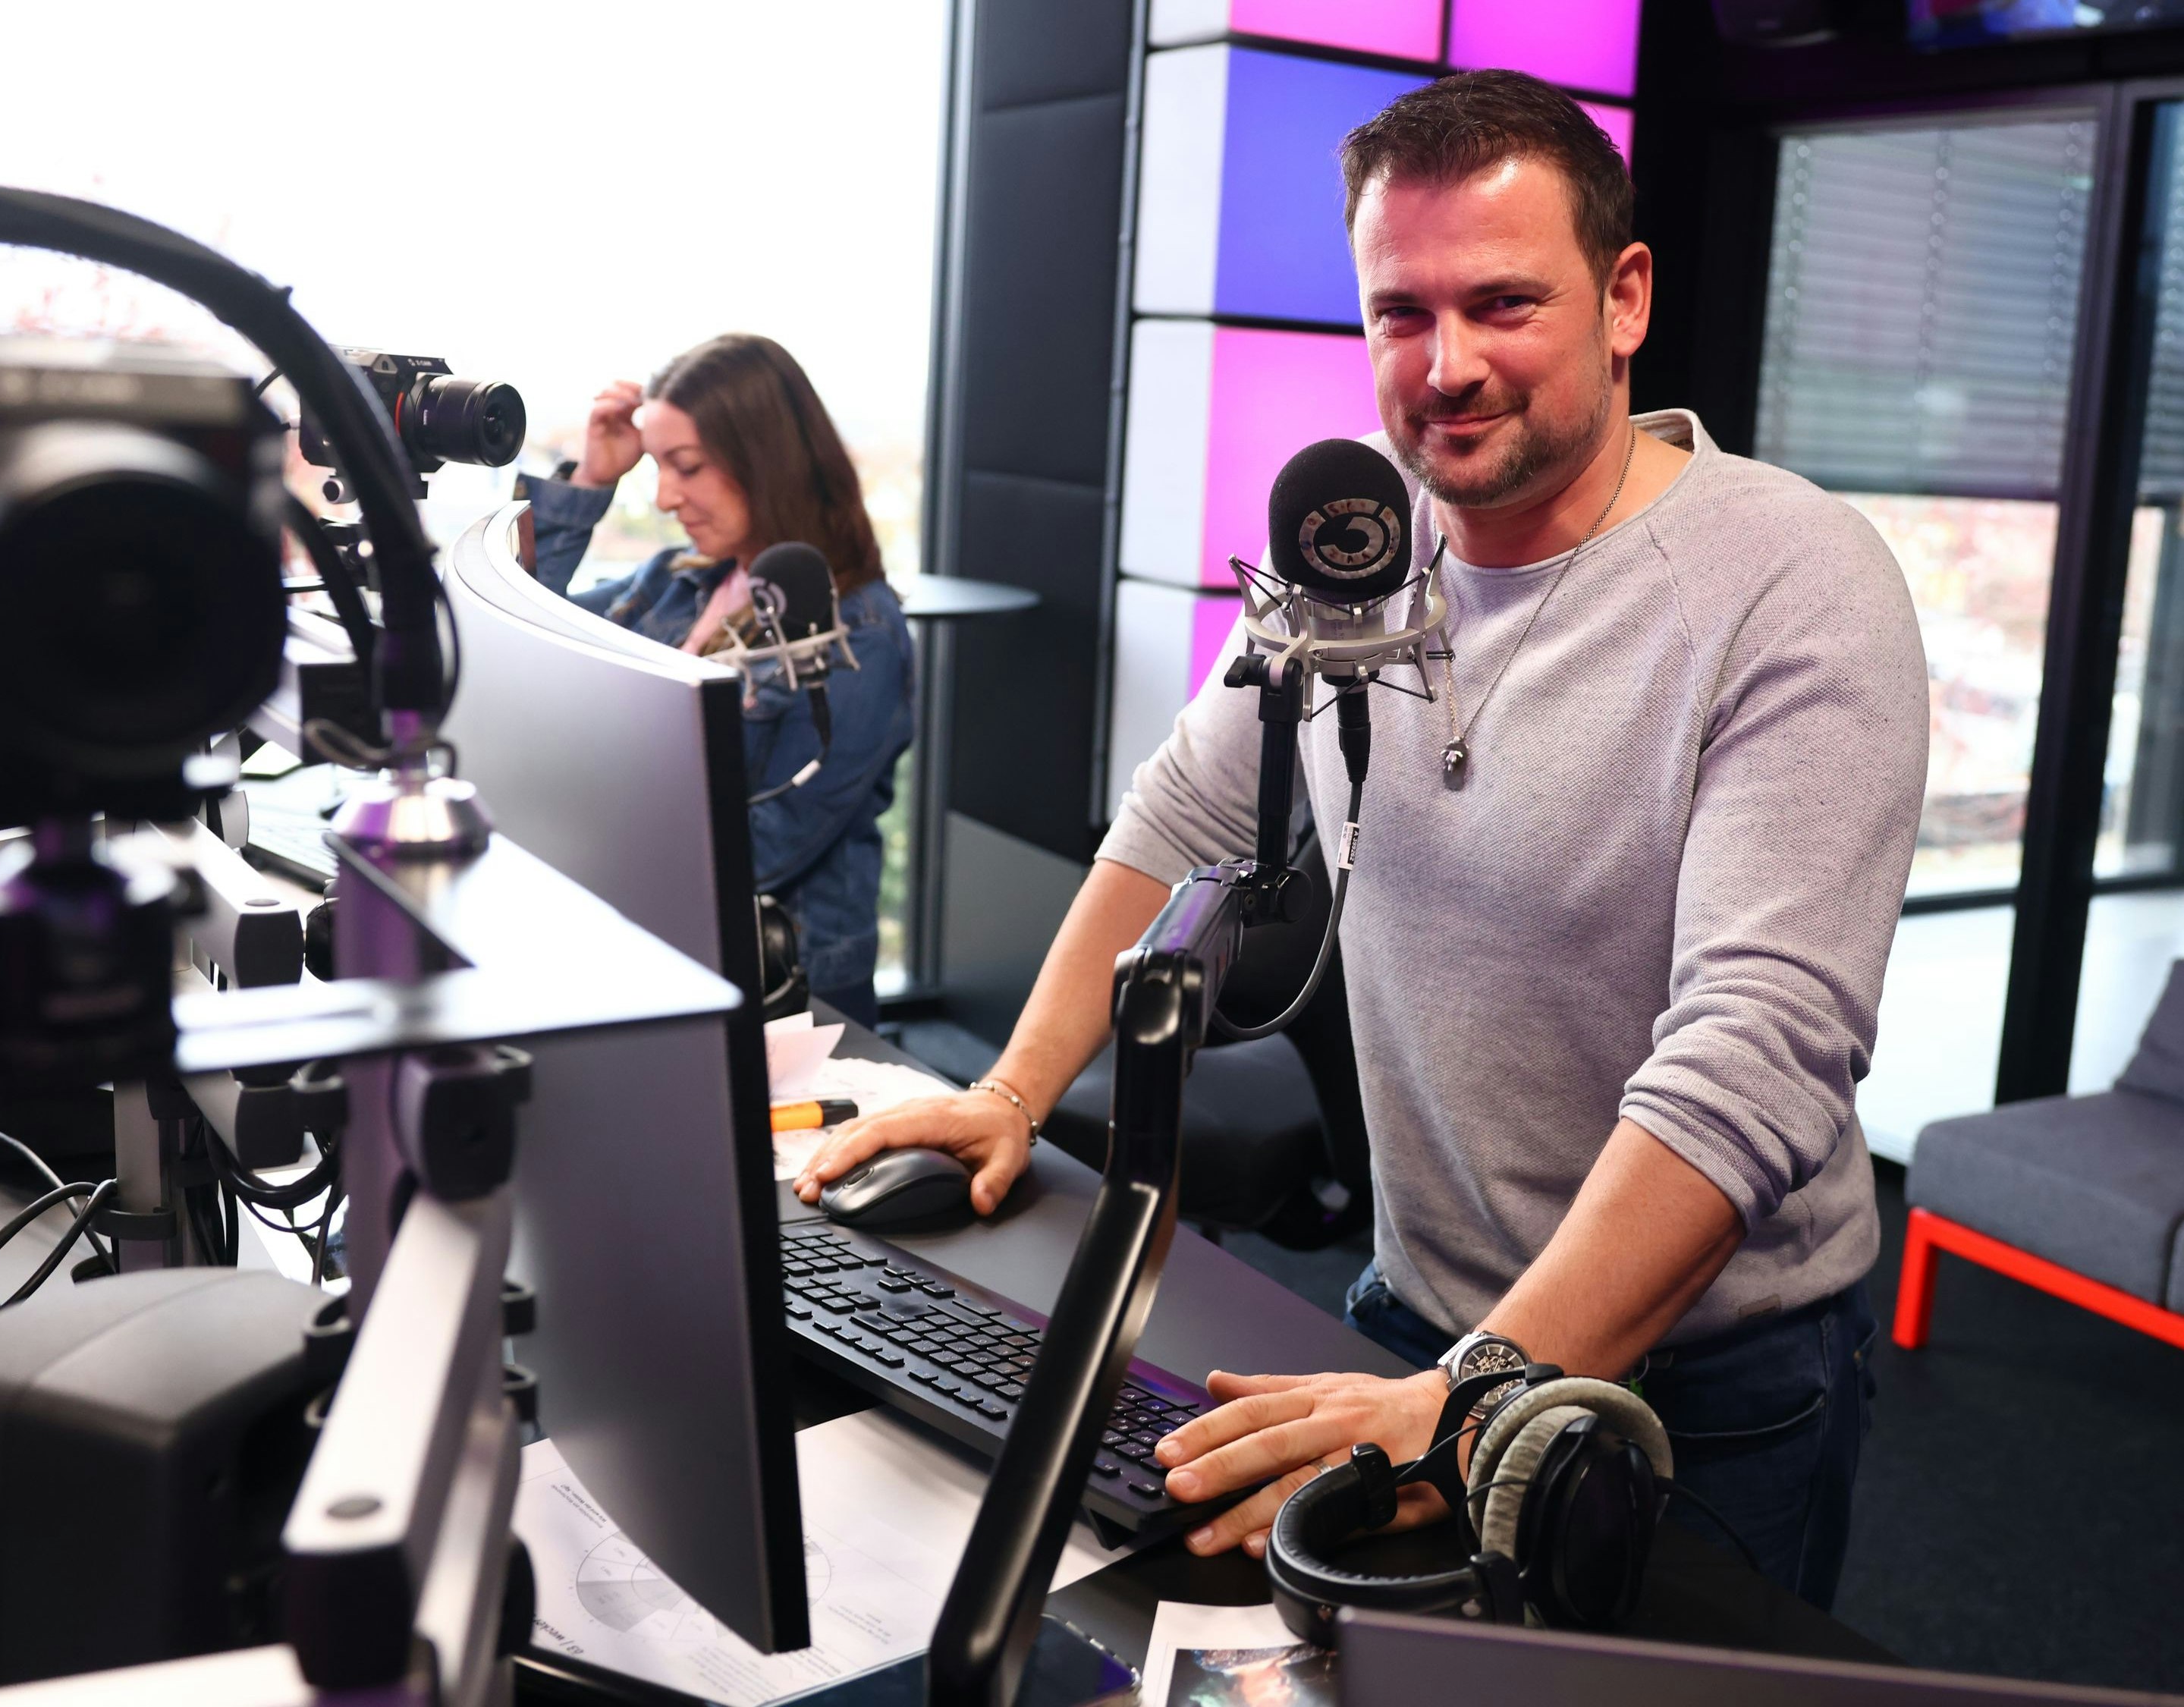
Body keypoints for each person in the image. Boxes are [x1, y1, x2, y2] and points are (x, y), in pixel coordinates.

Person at [797, 71, 1927, 1607]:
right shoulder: (1362, 541)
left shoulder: (1791, 582)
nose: (1447, 367)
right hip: (1410, 1312)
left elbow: (1757, 1051)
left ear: (1624, 299)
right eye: (1401, 312)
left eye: (1503, 303)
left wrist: (1476, 1397)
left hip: (1696, 1385)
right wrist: (1008, 1092)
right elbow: (1181, 814)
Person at [521, 334, 912, 1023]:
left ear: (766, 459)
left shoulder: (857, 632)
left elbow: (766, 847)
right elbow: (523, 637)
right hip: (651, 947)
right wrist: (590, 482)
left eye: (688, 467)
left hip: (782, 990)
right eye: (657, 467)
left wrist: (579, 835)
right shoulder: (677, 581)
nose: (665, 497)